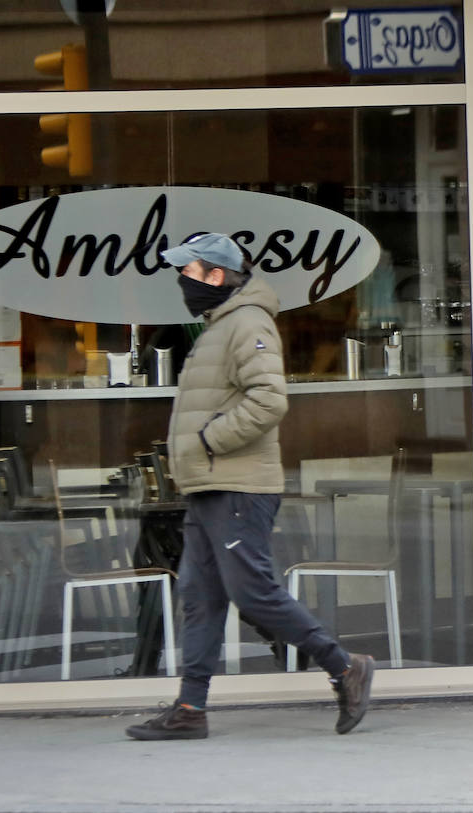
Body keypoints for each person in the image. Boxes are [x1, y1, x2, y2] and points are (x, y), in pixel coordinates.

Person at [125, 231, 374, 741]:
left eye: (188, 271)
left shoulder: (247, 323)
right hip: (211, 485)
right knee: (200, 596)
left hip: (237, 485)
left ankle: (345, 667)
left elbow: (268, 400)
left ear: (216, 275)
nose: (182, 281)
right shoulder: (220, 325)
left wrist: (208, 441)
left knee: (253, 593)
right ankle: (190, 709)